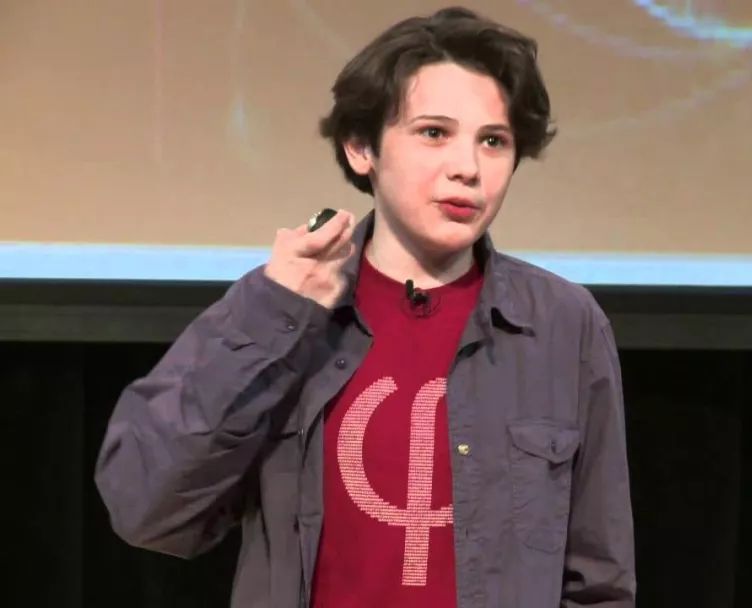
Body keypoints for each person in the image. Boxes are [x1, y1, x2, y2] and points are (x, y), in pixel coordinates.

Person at [95, 6, 635, 608]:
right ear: (361, 148)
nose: (468, 168)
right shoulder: (283, 306)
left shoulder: (562, 323)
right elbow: (146, 507)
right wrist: (272, 315)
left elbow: (600, 582)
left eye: (493, 141)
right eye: (434, 133)